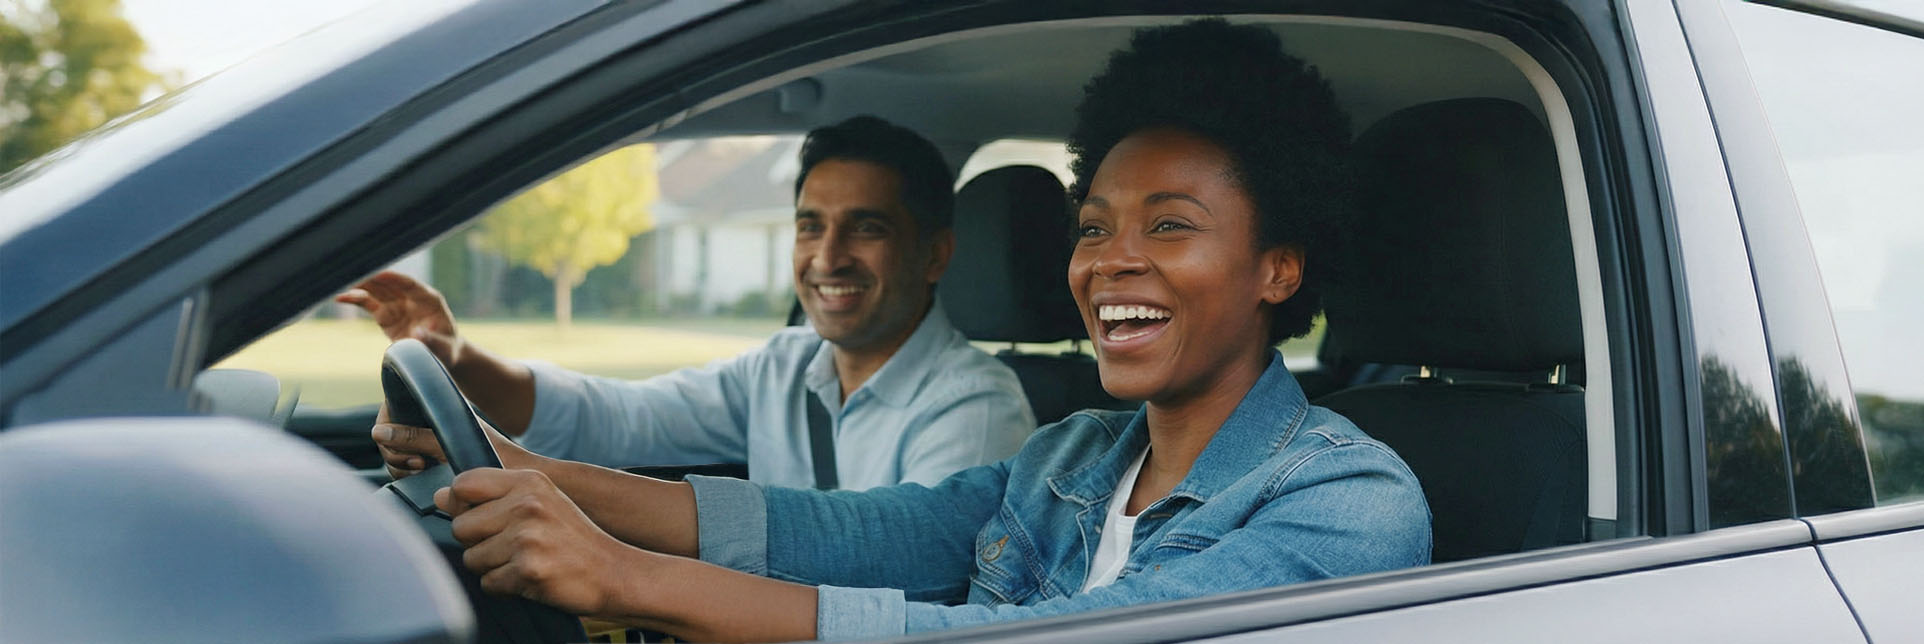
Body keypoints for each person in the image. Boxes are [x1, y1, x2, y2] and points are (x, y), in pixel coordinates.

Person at [398, 20, 1430, 641]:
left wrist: (625, 574)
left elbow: (1042, 634)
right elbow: (852, 530)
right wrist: (529, 473)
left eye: (1169, 224)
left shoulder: (1351, 499)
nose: (1110, 258)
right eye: (1092, 226)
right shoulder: (1069, 454)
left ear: (1278, 267)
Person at [340, 116, 1035, 490]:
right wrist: (455, 357)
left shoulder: (975, 408)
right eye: (810, 225)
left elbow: (900, 575)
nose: (828, 257)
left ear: (935, 255)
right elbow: (611, 419)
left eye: (868, 227)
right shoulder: (783, 369)